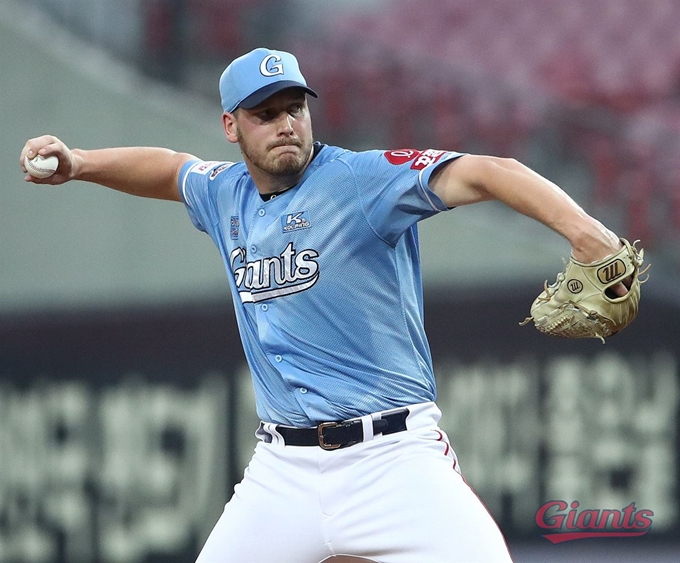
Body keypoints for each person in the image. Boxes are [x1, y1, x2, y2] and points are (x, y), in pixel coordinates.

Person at [20, 48, 630, 563]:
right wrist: (80, 164)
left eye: (295, 108)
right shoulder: (224, 194)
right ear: (232, 127)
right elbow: (171, 170)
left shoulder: (362, 182)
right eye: (266, 114)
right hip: (282, 470)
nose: (286, 124)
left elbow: (490, 171)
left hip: (392, 458)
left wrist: (584, 232)